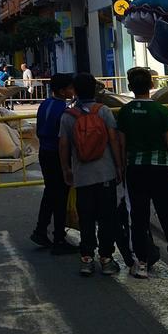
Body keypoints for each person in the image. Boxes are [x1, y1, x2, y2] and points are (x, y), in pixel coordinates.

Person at [116, 67, 168, 279]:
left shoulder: (125, 112)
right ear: (151, 86)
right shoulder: (162, 111)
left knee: (138, 217)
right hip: (161, 170)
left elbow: (121, 144)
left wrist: (121, 168)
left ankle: (141, 263)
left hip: (135, 170)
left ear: (130, 87)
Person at [60, 72, 122, 277]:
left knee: (85, 217)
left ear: (75, 91)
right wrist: (119, 166)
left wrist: (66, 169)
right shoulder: (103, 111)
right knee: (107, 217)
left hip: (82, 176)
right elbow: (113, 140)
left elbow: (64, 145)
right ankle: (106, 258)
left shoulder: (68, 116)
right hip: (105, 173)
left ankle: (87, 258)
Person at [31, 73, 74, 253]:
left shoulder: (45, 104)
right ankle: (58, 238)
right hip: (58, 154)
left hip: (44, 152)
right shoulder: (64, 110)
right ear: (63, 91)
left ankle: (41, 230)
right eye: (70, 88)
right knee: (60, 196)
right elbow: (64, 138)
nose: (73, 91)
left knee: (50, 192)